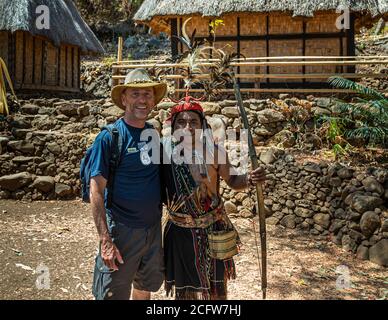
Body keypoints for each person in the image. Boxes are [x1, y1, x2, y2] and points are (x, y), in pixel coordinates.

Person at [160, 95, 266, 300]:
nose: (188, 127)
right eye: (181, 121)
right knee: (186, 292)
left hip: (213, 229)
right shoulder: (164, 154)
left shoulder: (215, 152)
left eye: (194, 121)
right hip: (180, 232)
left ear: (203, 126)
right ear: (173, 127)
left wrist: (251, 179)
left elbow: (234, 180)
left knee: (217, 289)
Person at [89, 68, 167, 300]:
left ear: (154, 99)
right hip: (121, 232)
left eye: (147, 94)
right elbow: (96, 190)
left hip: (153, 230)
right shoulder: (109, 138)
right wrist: (105, 240)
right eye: (135, 94)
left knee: (144, 287)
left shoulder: (153, 134)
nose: (142, 100)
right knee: (113, 294)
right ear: (123, 99)